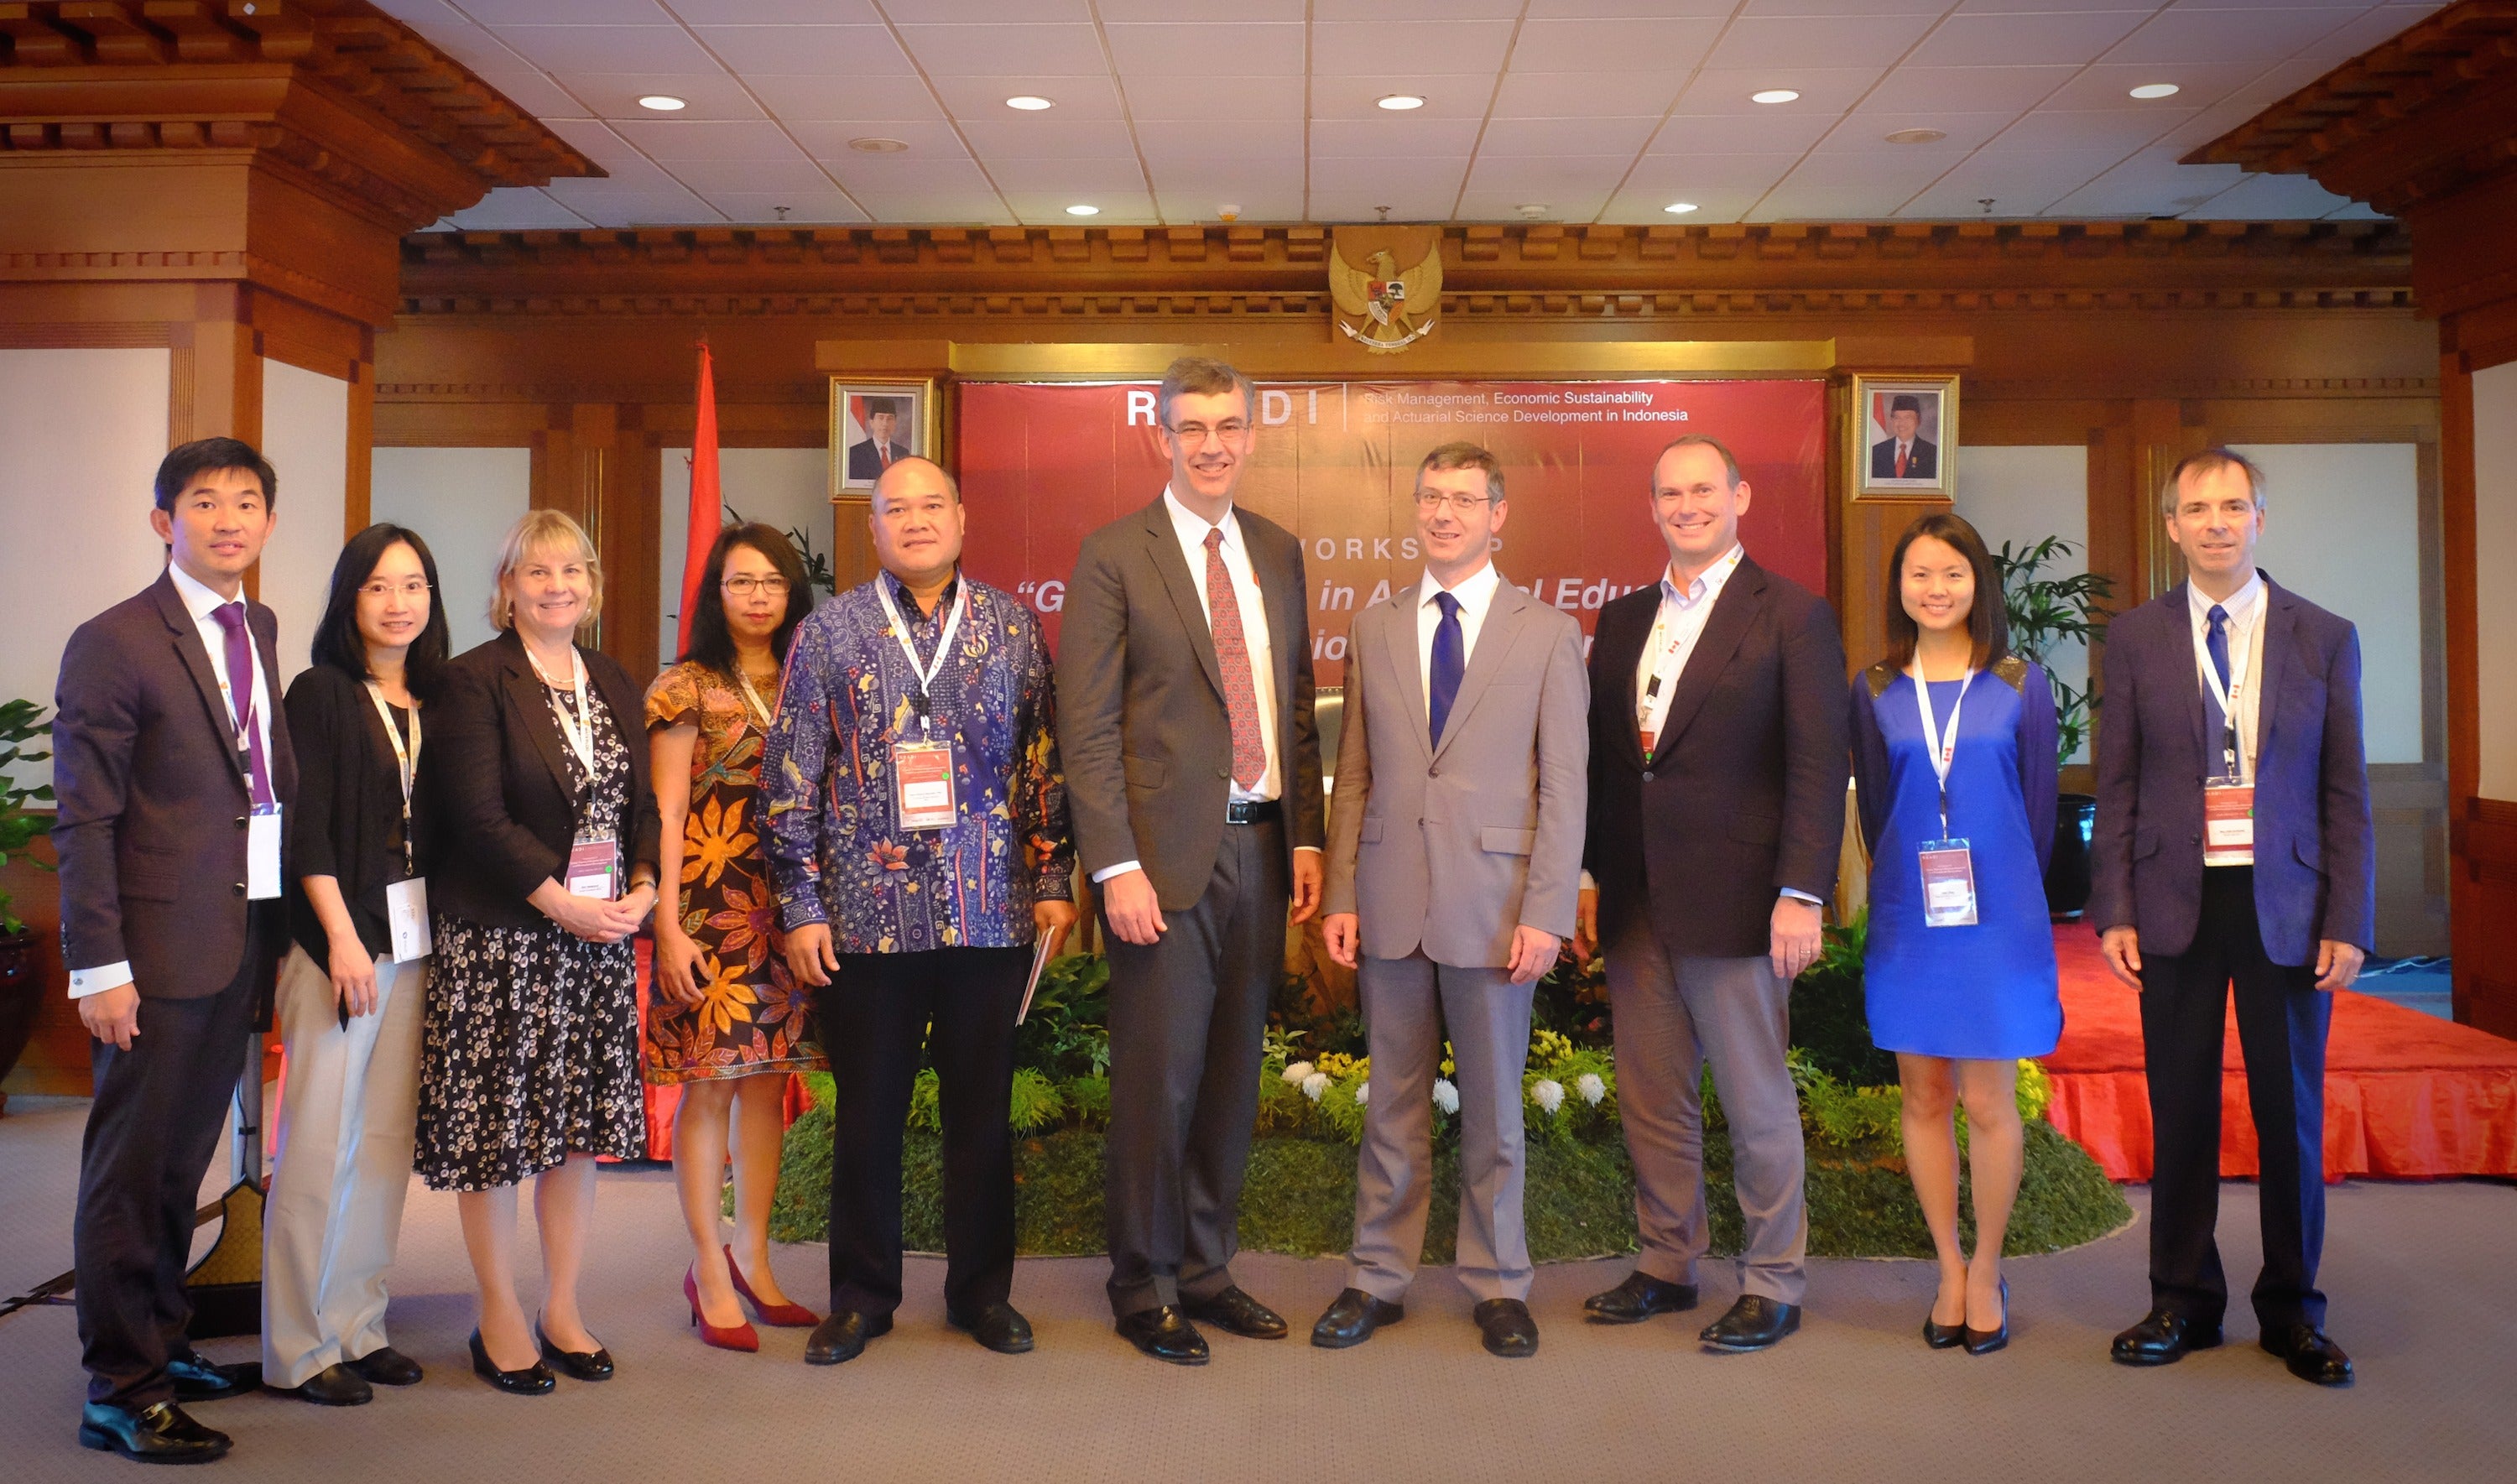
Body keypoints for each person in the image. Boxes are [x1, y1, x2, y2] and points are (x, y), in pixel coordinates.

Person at [763, 456, 1076, 1366]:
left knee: (982, 1109)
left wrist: (1053, 875)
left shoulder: (1013, 628)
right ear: (875, 529)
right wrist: (801, 902)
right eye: (895, 508)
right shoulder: (829, 632)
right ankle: (862, 1296)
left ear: (962, 519)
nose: (915, 520)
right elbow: (791, 776)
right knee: (868, 1111)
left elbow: (1041, 762)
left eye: (930, 504)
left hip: (988, 912)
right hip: (865, 914)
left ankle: (983, 1293)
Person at [1058, 355, 1327, 1366]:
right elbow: (1086, 730)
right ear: (1159, 436)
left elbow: (1295, 708)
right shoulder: (1113, 554)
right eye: (1192, 427)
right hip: (1160, 865)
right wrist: (1113, 865)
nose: (1212, 443)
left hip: (1261, 851)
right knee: (1157, 1081)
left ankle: (1207, 1270)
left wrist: (1304, 835)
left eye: (1229, 426)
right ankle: (1142, 1280)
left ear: (1252, 434)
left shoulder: (1278, 549)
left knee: (1228, 1075)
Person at [2092, 448, 2371, 1388]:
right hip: (2174, 902)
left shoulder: (2323, 636)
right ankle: (2182, 1298)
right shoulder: (2132, 639)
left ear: (2260, 518)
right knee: (2181, 1106)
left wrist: (2350, 916)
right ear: (2171, 524)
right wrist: (2114, 908)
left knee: (2290, 1112)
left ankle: (2293, 1308)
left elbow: (2345, 791)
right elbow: (2118, 782)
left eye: (2233, 505)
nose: (2215, 521)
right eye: (2196, 507)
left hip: (2286, 904)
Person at [1574, 434, 1847, 1353]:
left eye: (1703, 488)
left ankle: (1773, 1279)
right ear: (1651, 508)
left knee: (1754, 1096)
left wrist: (1802, 891)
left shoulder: (1792, 615)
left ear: (1739, 494)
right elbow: (1604, 767)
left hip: (1741, 900)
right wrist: (1583, 874)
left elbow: (1819, 762)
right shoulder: (1619, 620)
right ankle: (1667, 1260)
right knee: (1654, 1096)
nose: (1686, 505)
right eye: (1669, 493)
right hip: (1634, 897)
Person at [55, 437, 297, 1464]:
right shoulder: (113, 638)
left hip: (235, 936)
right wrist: (99, 963)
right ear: (166, 522)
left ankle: (162, 1338)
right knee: (131, 1168)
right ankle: (120, 1385)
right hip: (150, 952)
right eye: (205, 502)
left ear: (268, 523)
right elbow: (84, 815)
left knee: (180, 1163)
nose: (229, 519)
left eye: (247, 502)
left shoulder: (261, 623)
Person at [1316, 443, 1587, 1360]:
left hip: (1499, 906)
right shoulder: (1376, 623)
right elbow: (1353, 772)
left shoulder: (1546, 631)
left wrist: (1548, 910)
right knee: (1390, 1101)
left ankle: (1500, 1282)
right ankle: (1375, 1277)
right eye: (1431, 496)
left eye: (1464, 498)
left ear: (1497, 512)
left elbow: (1566, 787)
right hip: (1390, 899)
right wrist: (1342, 888)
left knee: (1494, 1107)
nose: (1444, 512)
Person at [417, 509, 662, 1396]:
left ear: (592, 585)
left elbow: (639, 804)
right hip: (506, 939)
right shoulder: (473, 680)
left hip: (594, 943)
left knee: (576, 1134)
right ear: (508, 586)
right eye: (538, 570)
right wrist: (561, 902)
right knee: (497, 1134)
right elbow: (479, 817)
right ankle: (498, 1313)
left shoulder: (610, 676)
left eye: (574, 569)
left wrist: (643, 883)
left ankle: (562, 1305)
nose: (558, 584)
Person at [1849, 512, 2062, 1358]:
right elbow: (1875, 809)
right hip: (1913, 919)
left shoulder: (2018, 681)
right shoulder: (1873, 685)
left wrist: (2007, 893)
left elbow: (2038, 811)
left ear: (1979, 582)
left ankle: (1987, 1265)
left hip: (1997, 920)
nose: (1936, 589)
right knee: (1924, 1096)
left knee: (1987, 1098)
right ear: (1899, 587)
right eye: (1919, 575)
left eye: (1953, 573)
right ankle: (1945, 1264)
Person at [262, 524, 451, 1406]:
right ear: (350, 599)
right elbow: (306, 829)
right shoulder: (322, 693)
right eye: (379, 585)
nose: (399, 601)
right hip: (338, 945)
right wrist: (339, 937)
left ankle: (359, 1322)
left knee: (382, 1146)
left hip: (414, 945)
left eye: (413, 584)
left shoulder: (436, 699)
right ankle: (298, 1345)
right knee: (319, 1145)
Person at [646, 523, 826, 1353]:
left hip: (789, 907)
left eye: (773, 582)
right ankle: (707, 1265)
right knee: (709, 1084)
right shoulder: (684, 686)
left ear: (793, 594)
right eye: (739, 581)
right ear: (714, 593)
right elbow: (668, 810)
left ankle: (753, 1254)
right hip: (709, 908)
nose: (757, 595)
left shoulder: (811, 674)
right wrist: (670, 926)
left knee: (768, 1082)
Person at [1870, 394, 1938, 482]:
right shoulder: (1876, 452)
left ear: (1918, 421)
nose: (1902, 423)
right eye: (1897, 418)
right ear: (1891, 420)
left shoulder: (1932, 453)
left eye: (1908, 418)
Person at [846, 399, 912, 482]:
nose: (885, 423)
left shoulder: (903, 453)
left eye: (890, 418)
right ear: (871, 422)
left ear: (895, 423)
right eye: (881, 418)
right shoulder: (856, 453)